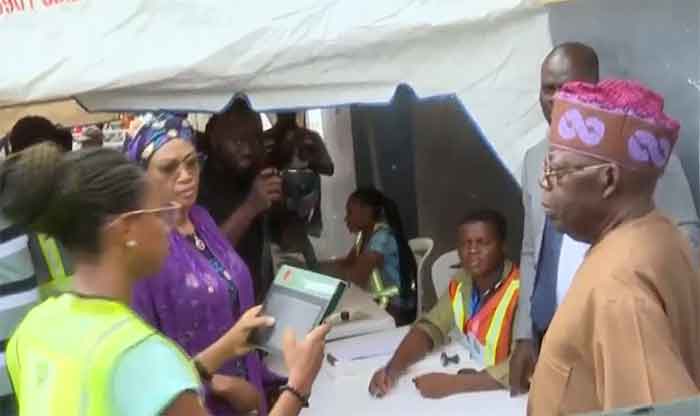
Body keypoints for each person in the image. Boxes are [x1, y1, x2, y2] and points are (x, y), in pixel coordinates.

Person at [1, 143, 329, 416]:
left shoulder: (34, 327)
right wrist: (298, 385)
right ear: (126, 229)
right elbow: (147, 374)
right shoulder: (143, 353)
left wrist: (220, 350)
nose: (170, 224)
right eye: (159, 213)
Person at [509, 42, 700, 395]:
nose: (545, 184)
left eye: (560, 173)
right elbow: (531, 251)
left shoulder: (621, 293)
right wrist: (527, 334)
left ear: (609, 180)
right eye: (546, 89)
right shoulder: (641, 240)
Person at [123, 114, 282, 415]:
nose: (185, 175)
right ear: (141, 176)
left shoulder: (202, 220)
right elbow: (143, 361)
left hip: (249, 396)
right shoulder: (143, 245)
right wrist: (219, 384)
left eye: (192, 163)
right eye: (169, 168)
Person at [368, 210, 519, 399]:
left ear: (502, 246)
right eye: (466, 244)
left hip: (507, 398)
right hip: (474, 382)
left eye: (483, 243)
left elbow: (521, 366)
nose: (472, 250)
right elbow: (431, 327)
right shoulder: (462, 280)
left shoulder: (521, 292)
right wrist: (392, 368)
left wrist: (453, 384)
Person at [198, 99, 283, 303]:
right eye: (237, 141)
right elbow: (206, 255)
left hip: (258, 299)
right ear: (214, 137)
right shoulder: (198, 186)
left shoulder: (250, 176)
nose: (247, 150)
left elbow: (280, 240)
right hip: (222, 308)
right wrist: (251, 207)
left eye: (254, 139)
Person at [320, 188, 417, 325]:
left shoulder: (381, 238)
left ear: (366, 211)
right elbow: (346, 263)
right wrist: (312, 266)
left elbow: (355, 277)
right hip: (378, 303)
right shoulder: (363, 236)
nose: (345, 218)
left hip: (395, 309)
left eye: (350, 212)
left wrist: (318, 278)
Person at [263, 113, 335, 270]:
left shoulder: (310, 137)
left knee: (304, 259)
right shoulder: (265, 138)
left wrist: (306, 159)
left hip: (300, 212)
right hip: (271, 209)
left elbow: (329, 168)